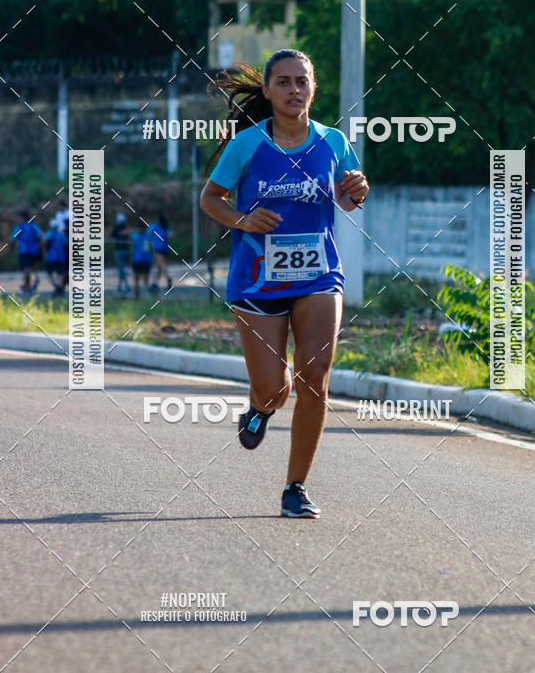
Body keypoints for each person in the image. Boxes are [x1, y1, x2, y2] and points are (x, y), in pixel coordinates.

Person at [200, 49, 369, 518]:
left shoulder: (334, 141)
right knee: (274, 388)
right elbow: (211, 198)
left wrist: (357, 191)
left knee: (314, 375)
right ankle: (260, 408)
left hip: (318, 275)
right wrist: (243, 220)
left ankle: (295, 487)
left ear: (313, 88)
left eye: (302, 81)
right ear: (268, 90)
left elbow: (347, 198)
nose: (294, 89)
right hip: (257, 281)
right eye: (284, 82)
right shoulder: (247, 145)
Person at [11, 210, 43, 295]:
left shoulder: (19, 227)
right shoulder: (34, 226)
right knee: (32, 268)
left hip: (23, 250)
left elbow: (13, 239)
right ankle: (31, 282)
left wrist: (13, 248)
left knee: (26, 269)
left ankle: (28, 285)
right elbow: (40, 237)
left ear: (22, 217)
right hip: (34, 250)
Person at [147, 214, 172, 292]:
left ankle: (168, 278)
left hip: (158, 248)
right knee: (159, 267)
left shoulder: (155, 226)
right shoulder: (166, 227)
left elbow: (148, 234)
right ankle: (155, 283)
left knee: (161, 265)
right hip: (165, 248)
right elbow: (170, 235)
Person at [44, 219, 68, 296]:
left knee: (49, 274)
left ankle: (56, 287)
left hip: (51, 257)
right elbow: (66, 246)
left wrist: (45, 254)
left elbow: (46, 245)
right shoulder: (62, 235)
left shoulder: (48, 234)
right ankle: (59, 288)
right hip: (61, 257)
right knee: (60, 274)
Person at [130, 227, 153, 298]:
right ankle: (146, 294)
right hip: (147, 260)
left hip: (138, 259)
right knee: (145, 278)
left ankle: (137, 294)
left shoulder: (136, 236)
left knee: (137, 278)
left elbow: (128, 233)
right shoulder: (148, 237)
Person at [112, 212, 131, 294]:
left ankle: (126, 285)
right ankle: (120, 286)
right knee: (121, 269)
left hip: (120, 251)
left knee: (121, 269)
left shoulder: (117, 229)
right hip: (125, 250)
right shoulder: (125, 228)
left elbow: (112, 235)